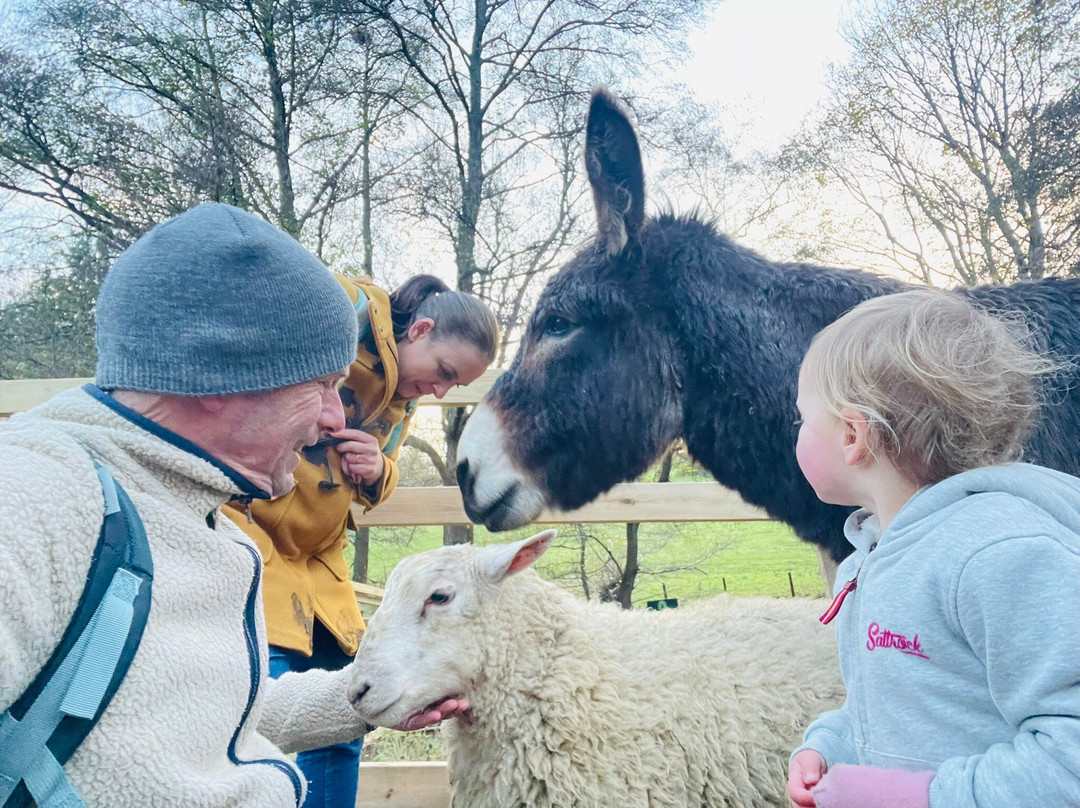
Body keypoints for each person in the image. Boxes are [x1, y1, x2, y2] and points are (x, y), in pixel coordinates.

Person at [0, 202, 466, 808]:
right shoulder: (34, 493)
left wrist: (371, 694)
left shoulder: (209, 517)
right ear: (226, 380)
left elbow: (213, 702)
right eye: (321, 386)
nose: (334, 416)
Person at [786, 289, 1080, 808]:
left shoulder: (1000, 555)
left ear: (853, 434)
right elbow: (896, 705)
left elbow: (1070, 756)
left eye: (803, 419)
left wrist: (916, 796)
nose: (798, 433)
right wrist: (831, 747)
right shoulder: (878, 554)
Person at [222, 272, 497, 808]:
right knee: (262, 706)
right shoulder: (338, 312)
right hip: (256, 539)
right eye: (442, 372)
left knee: (349, 716)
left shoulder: (404, 396)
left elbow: (379, 479)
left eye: (453, 386)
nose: (440, 390)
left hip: (320, 561)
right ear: (419, 329)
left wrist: (376, 470)